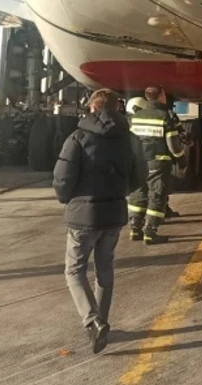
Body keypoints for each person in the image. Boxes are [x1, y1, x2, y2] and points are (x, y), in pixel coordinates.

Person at [53, 88, 147, 354]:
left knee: (74, 270)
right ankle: (101, 324)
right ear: (118, 109)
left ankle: (92, 321)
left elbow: (63, 178)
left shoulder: (78, 137)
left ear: (92, 108)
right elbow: (141, 174)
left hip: (84, 215)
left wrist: (66, 199)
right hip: (114, 214)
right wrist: (120, 192)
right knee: (104, 269)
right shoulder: (130, 138)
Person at [127, 86, 186, 244]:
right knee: (157, 196)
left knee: (138, 194)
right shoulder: (164, 116)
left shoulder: (136, 116)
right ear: (161, 96)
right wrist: (182, 160)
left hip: (139, 162)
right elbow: (174, 145)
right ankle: (150, 232)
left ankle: (135, 228)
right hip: (158, 162)